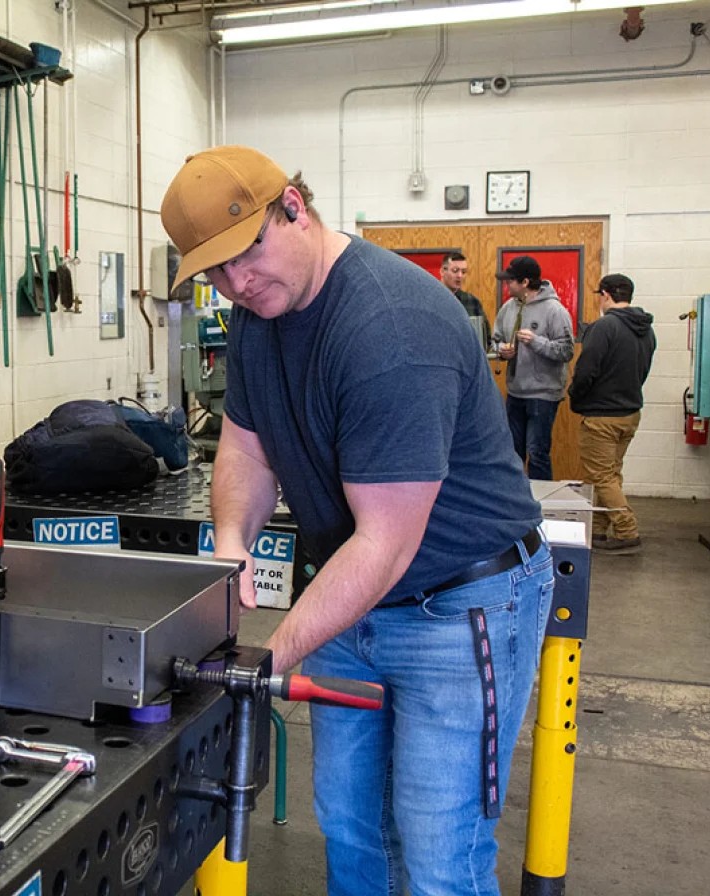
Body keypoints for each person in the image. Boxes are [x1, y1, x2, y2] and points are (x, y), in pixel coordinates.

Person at [160, 145, 553, 896]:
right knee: (351, 828)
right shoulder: (254, 315)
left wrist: (273, 653)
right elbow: (244, 444)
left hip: (459, 605)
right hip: (352, 600)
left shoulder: (390, 328)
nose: (237, 282)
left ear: (295, 209)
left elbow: (385, 542)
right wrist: (233, 540)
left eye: (247, 253)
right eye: (214, 271)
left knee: (440, 848)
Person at [568, 274, 656, 554]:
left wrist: (576, 396)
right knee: (607, 474)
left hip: (602, 416)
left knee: (603, 476)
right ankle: (598, 530)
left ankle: (627, 530)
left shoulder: (605, 327)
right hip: (630, 412)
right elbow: (644, 370)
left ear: (605, 295)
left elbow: (586, 370)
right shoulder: (646, 329)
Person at [490, 255, 574, 480]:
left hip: (543, 395)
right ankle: (516, 503)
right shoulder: (508, 308)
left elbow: (566, 351)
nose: (507, 285)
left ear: (525, 282)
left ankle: (541, 505)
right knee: (512, 453)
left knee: (537, 453)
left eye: (510, 281)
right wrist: (501, 350)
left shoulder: (555, 311)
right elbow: (494, 339)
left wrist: (536, 341)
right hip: (516, 392)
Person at [439, 250, 491, 351]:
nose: (460, 276)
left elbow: (485, 338)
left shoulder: (472, 301)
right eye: (455, 270)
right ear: (442, 271)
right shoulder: (431, 300)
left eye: (463, 272)